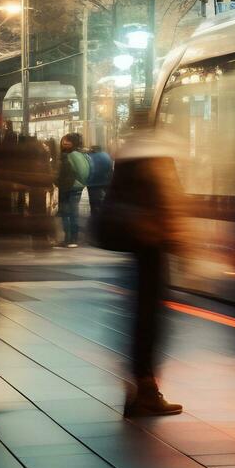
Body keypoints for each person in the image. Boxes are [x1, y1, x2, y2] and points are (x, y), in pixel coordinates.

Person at [98, 110, 191, 417]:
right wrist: (184, 242)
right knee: (150, 318)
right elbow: (168, 200)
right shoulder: (155, 155)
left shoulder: (128, 155)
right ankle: (145, 390)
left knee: (140, 315)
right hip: (152, 246)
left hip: (135, 244)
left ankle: (139, 387)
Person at [55, 132, 90, 248]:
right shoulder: (83, 154)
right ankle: (73, 239)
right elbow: (89, 169)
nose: (64, 144)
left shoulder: (68, 156)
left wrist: (57, 182)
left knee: (66, 213)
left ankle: (68, 239)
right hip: (77, 187)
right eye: (63, 141)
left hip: (67, 187)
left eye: (66, 142)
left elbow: (62, 173)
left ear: (72, 143)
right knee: (74, 212)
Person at [85, 143, 114, 230]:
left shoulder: (89, 157)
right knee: (104, 201)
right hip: (105, 182)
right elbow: (110, 168)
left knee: (94, 204)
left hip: (93, 183)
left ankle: (95, 224)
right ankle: (104, 220)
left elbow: (88, 169)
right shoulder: (106, 156)